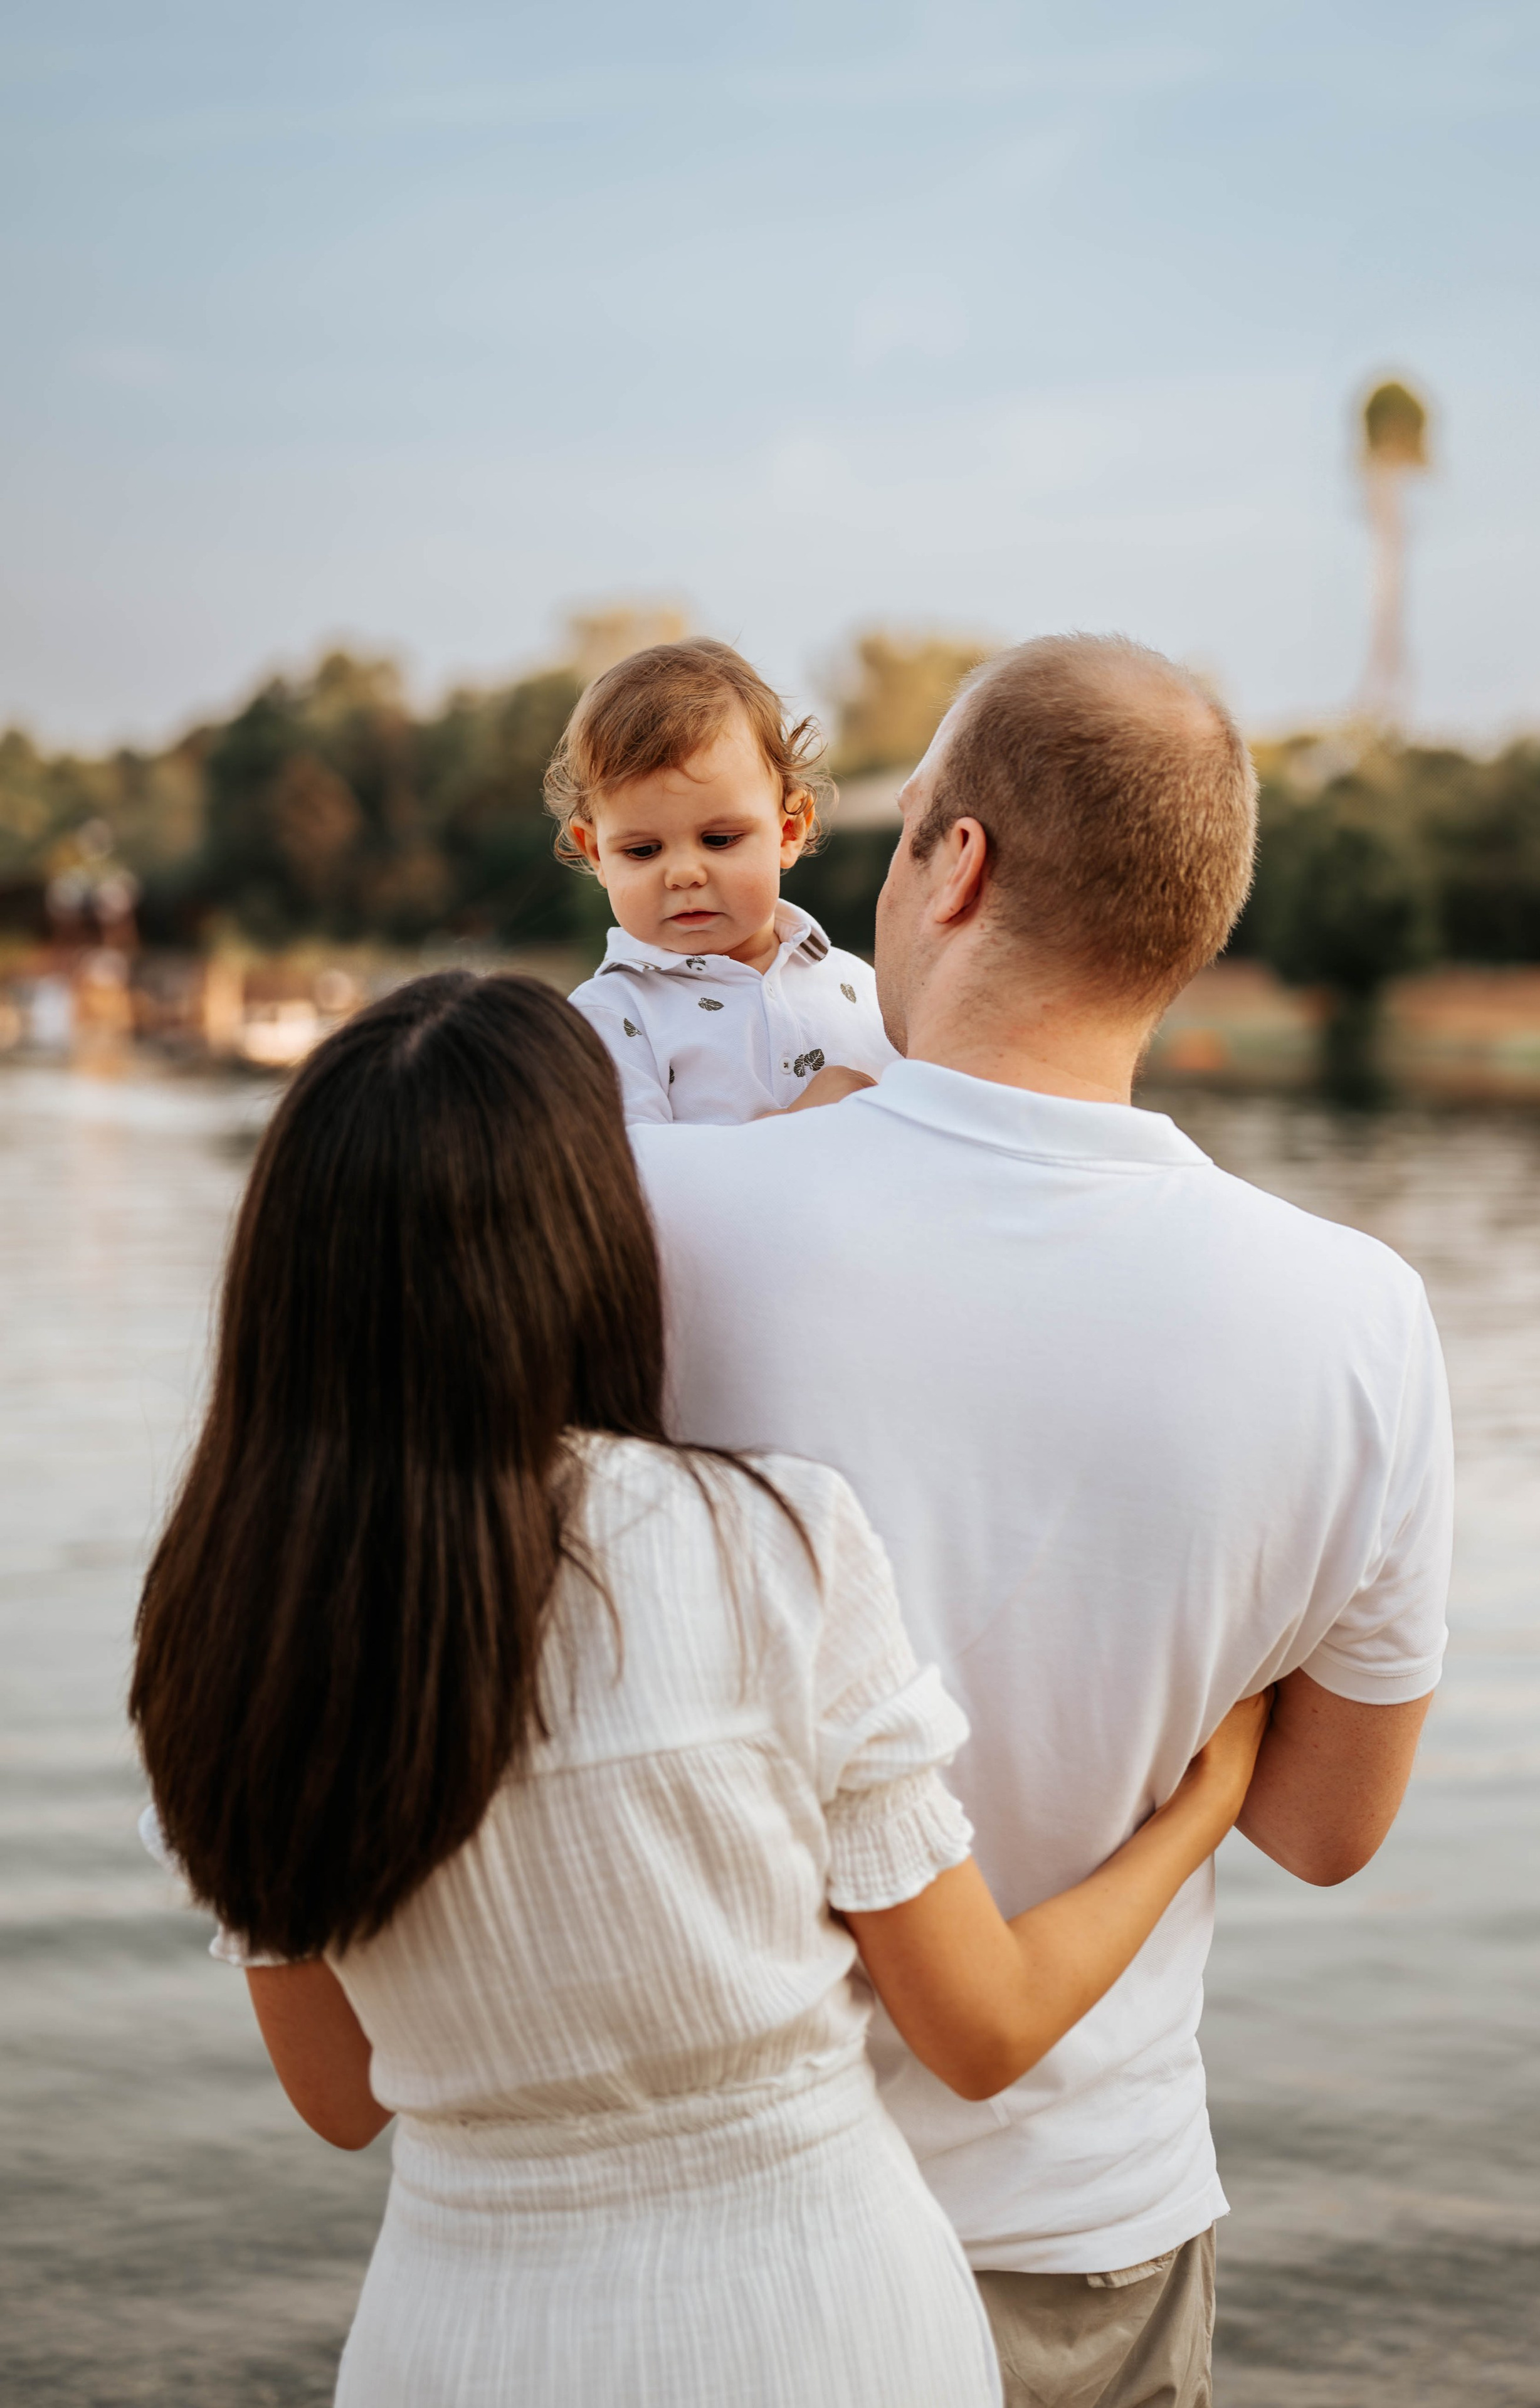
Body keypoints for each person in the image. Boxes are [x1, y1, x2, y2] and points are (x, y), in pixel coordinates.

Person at [129, 969, 1268, 2408]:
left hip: (456, 2345)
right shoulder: (763, 1546)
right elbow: (979, 2027)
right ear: (589, 1233)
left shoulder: (223, 1624)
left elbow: (342, 2096)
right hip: (823, 2331)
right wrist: (1204, 1800)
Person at [634, 634, 1456, 2408]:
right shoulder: (1361, 1315)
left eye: (905, 821)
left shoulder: (651, 1216)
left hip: (718, 2244)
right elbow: (1326, 1829)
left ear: (959, 860)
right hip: (1089, 2239)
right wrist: (1209, 1750)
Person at [554, 636, 894, 1121]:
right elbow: (635, 1176)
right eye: (643, 850)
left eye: (720, 840)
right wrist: (802, 1125)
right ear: (597, 854)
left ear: (789, 829)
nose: (684, 874)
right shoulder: (608, 1018)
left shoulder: (863, 987)